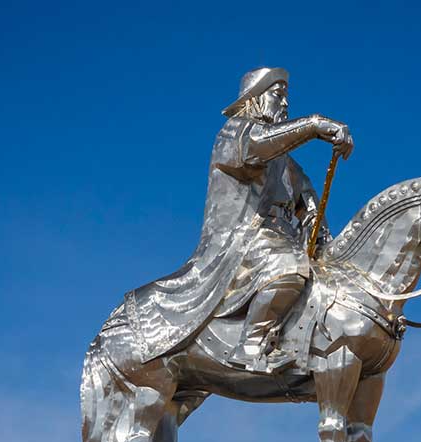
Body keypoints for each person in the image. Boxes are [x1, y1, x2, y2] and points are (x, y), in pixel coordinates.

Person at [122, 67, 353, 371]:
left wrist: (322, 235)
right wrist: (313, 126)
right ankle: (251, 346)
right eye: (277, 95)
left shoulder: (288, 164)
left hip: (281, 240)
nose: (285, 104)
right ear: (255, 99)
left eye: (287, 98)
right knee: (289, 266)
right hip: (244, 240)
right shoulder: (235, 133)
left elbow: (308, 203)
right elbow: (257, 147)